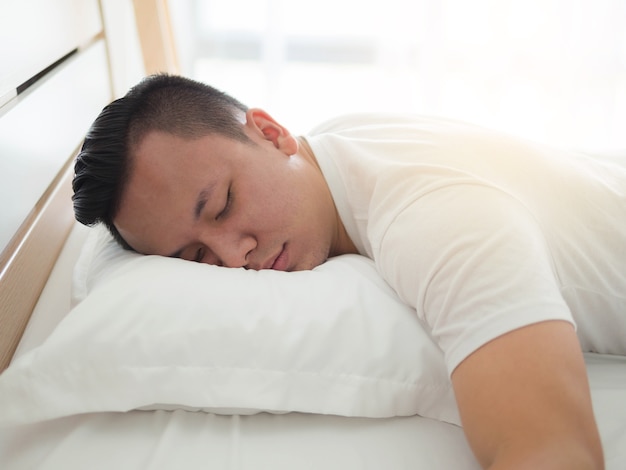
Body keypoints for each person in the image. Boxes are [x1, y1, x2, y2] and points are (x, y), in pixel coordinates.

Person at [73, 73, 626, 469]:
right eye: (196, 258)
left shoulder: (434, 219)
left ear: (270, 132)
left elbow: (551, 451)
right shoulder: (333, 149)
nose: (234, 255)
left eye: (222, 206)